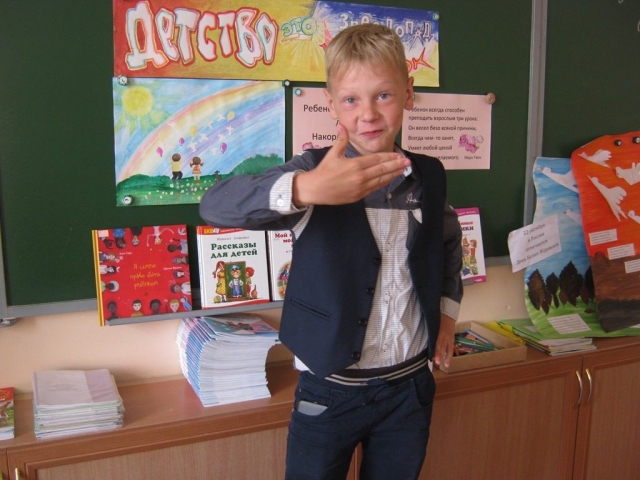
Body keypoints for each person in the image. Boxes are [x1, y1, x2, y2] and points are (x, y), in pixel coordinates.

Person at [199, 23, 463, 480]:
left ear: (408, 93)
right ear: (330, 103)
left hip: (409, 387)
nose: (368, 114)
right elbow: (215, 205)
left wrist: (448, 316)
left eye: (384, 95)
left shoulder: (429, 175)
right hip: (329, 391)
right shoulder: (311, 173)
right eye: (351, 100)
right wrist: (305, 188)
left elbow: (448, 243)